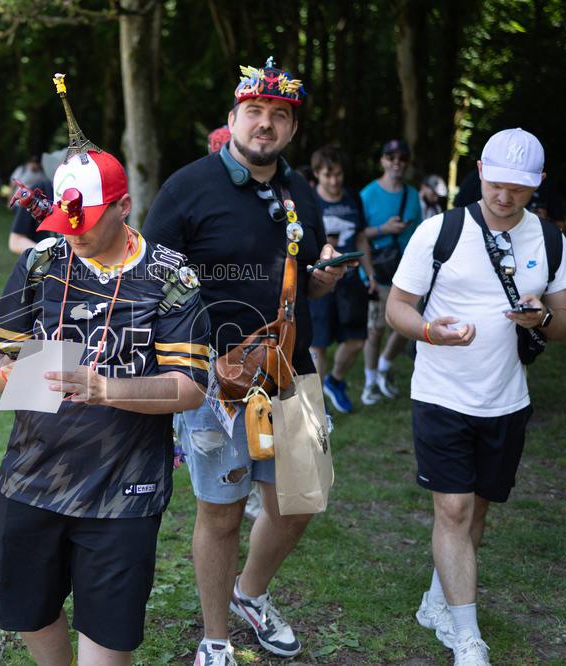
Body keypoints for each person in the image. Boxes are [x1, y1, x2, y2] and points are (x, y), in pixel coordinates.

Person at [0, 76, 210, 666]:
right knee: (27, 611)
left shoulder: (170, 273)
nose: (74, 236)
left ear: (125, 206)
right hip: (32, 478)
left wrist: (106, 388)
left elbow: (189, 388)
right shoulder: (39, 261)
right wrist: (14, 375)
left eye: (89, 221)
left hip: (123, 494)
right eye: (66, 222)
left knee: (107, 643)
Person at [144, 58, 352, 665]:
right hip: (216, 380)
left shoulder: (301, 192)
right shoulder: (187, 188)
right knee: (222, 513)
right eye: (255, 113)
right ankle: (215, 638)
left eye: (279, 116)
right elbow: (154, 284)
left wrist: (324, 279)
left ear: (290, 129)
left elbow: (304, 281)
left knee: (301, 499)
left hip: (292, 371)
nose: (266, 125)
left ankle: (250, 594)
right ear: (233, 118)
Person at [386, 128, 566, 666]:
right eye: (495, 182)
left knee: (475, 514)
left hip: (506, 399)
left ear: (537, 183)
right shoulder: (438, 232)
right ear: (479, 171)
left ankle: (435, 599)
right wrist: (429, 331)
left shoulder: (550, 239)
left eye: (517, 186)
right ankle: (467, 638)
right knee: (452, 507)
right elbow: (396, 307)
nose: (503, 195)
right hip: (441, 393)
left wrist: (539, 317)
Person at [307, 145, 378, 414]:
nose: (335, 180)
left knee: (357, 339)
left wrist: (370, 273)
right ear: (317, 175)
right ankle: (316, 403)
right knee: (318, 345)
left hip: (350, 280)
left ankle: (334, 381)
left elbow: (360, 237)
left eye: (338, 174)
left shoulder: (352, 198)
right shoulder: (309, 201)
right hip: (319, 281)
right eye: (328, 175)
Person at [359, 138, 423, 405]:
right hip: (378, 271)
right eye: (391, 157)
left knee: (409, 323)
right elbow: (358, 235)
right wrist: (384, 230)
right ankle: (370, 382)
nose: (397, 162)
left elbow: (420, 233)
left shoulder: (412, 195)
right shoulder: (367, 194)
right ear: (383, 160)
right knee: (375, 329)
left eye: (402, 158)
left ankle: (385, 366)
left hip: (408, 272)